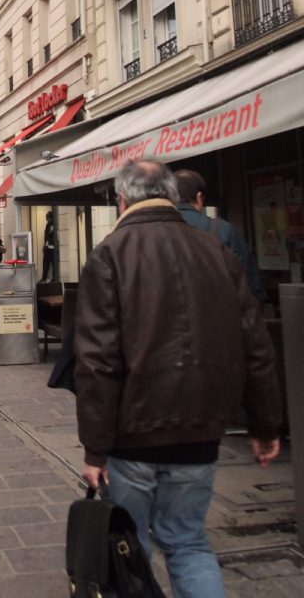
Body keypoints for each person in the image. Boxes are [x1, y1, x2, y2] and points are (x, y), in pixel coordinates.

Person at [75, 160, 281, 598]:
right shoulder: (216, 249)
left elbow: (96, 360)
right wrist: (264, 426)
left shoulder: (111, 252)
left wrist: (94, 448)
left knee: (131, 548)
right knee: (188, 542)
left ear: (122, 199)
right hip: (202, 431)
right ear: (173, 195)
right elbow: (256, 346)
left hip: (134, 435)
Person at [174, 169, 266, 306]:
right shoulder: (223, 230)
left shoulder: (154, 232)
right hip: (219, 317)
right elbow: (248, 280)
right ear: (199, 197)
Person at [41, 210, 57, 282]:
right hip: (47, 247)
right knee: (45, 263)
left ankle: (54, 278)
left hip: (53, 248)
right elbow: (46, 236)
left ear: (51, 218)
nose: (46, 219)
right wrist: (45, 245)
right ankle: (43, 278)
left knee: (54, 264)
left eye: (47, 217)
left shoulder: (55, 224)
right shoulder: (47, 225)